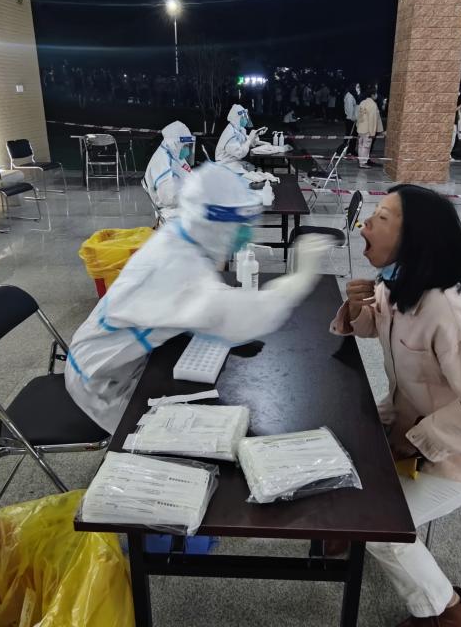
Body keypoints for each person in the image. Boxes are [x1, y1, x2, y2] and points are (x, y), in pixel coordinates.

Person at [331, 185, 461, 627]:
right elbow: (376, 327)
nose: (365, 225)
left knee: (382, 529)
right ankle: (340, 529)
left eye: (381, 218)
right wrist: (356, 307)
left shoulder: (450, 313)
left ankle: (446, 610)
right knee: (338, 444)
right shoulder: (398, 285)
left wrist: (414, 442)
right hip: (409, 422)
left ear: (415, 238)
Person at [67, 163, 334, 433]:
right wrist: (301, 278)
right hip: (104, 381)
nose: (245, 232)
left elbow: (201, 300)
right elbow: (238, 319)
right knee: (155, 442)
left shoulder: (181, 235)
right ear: (213, 224)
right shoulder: (175, 268)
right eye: (238, 224)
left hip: (128, 358)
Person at [144, 121, 195, 222]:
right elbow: (168, 199)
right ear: (175, 142)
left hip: (182, 206)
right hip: (173, 213)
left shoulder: (174, 153)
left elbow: (188, 174)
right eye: (185, 145)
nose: (187, 149)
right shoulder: (163, 163)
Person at [216, 104, 264, 172]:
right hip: (226, 165)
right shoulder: (231, 133)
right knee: (257, 174)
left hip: (233, 163)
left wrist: (255, 135)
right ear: (237, 117)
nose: (246, 119)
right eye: (243, 117)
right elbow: (240, 153)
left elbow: (246, 142)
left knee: (258, 170)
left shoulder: (238, 129)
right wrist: (250, 139)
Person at [357, 87, 384, 169]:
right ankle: (363, 163)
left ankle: (361, 161)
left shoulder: (363, 102)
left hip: (360, 128)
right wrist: (373, 132)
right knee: (366, 147)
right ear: (372, 95)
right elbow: (373, 119)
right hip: (368, 130)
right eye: (376, 94)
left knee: (360, 146)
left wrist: (358, 126)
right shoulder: (372, 104)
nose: (377, 95)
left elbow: (359, 116)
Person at [342, 83, 361, 156]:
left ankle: (351, 150)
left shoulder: (353, 95)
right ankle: (347, 151)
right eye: (357, 87)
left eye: (359, 87)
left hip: (353, 119)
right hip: (351, 120)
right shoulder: (349, 96)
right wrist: (353, 118)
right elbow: (349, 110)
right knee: (350, 136)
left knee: (353, 136)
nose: (358, 88)